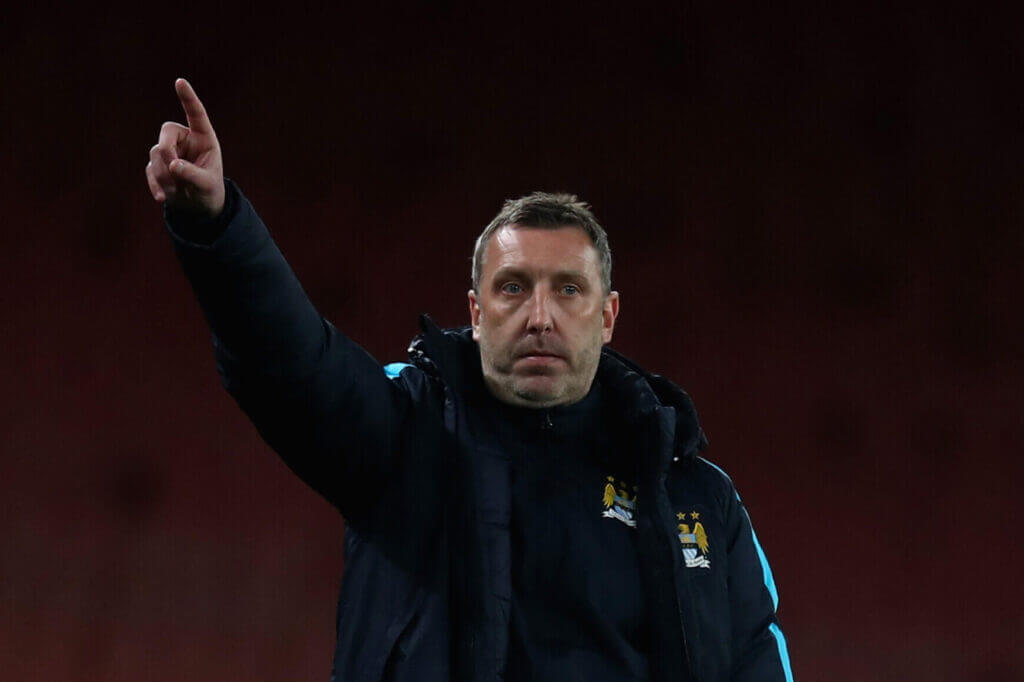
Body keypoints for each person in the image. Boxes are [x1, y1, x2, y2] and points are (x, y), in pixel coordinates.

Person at [146, 78, 794, 682]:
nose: (540, 317)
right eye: (514, 288)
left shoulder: (699, 497)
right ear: (478, 313)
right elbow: (292, 365)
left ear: (608, 315)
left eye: (568, 290)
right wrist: (218, 224)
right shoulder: (411, 430)